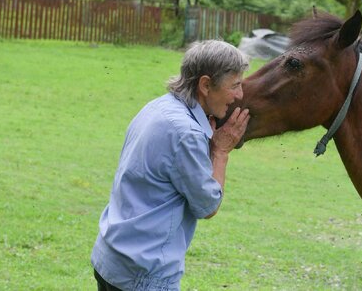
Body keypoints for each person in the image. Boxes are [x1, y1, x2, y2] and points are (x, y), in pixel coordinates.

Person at [91, 40, 250, 290]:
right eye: (235, 85)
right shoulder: (186, 132)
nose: (239, 95)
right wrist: (220, 152)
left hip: (111, 258)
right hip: (143, 275)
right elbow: (208, 206)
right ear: (206, 85)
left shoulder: (158, 107)